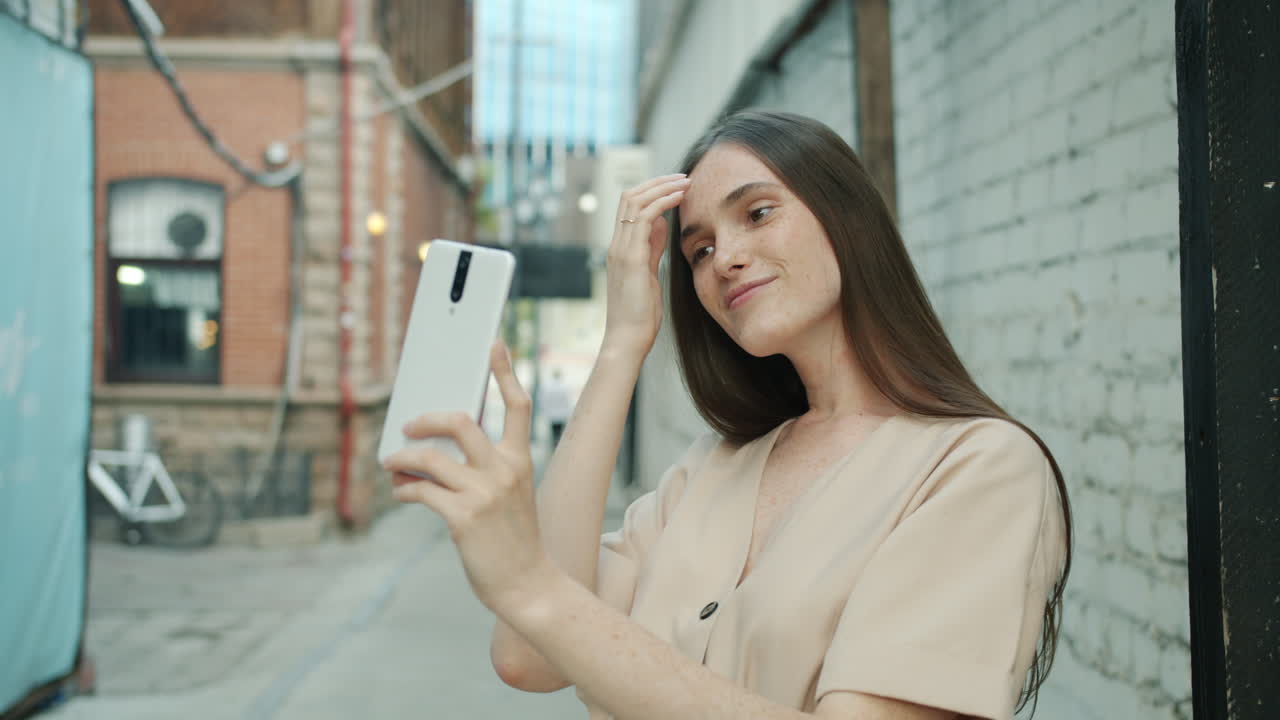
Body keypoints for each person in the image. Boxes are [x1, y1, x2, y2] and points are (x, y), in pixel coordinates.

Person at [382, 111, 1072, 720]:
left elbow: (540, 601)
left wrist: (527, 580)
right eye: (700, 250)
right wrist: (622, 344)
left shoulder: (980, 468)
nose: (726, 260)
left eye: (758, 213)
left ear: (846, 217)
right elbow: (529, 658)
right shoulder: (707, 475)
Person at [538, 368, 573, 448]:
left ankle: (555, 443)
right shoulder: (564, 386)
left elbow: (544, 400)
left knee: (554, 430)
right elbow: (567, 401)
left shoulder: (548, 387)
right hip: (562, 413)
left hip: (552, 413)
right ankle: (558, 443)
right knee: (560, 430)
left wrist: (544, 410)